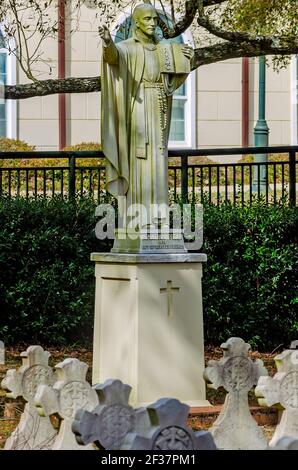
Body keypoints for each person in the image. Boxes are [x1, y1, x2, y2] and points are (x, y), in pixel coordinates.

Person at [99, 3, 193, 230]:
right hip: (138, 110)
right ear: (137, 23)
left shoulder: (164, 49)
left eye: (155, 19)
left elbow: (173, 79)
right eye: (148, 19)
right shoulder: (128, 48)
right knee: (140, 160)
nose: (153, 23)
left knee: (158, 160)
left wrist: (188, 60)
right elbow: (113, 57)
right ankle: (137, 219)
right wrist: (107, 42)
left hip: (160, 108)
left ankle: (158, 218)